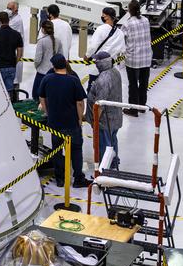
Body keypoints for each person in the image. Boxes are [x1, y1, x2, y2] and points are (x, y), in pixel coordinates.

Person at [38, 55, 90, 188]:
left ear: (54, 66)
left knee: (57, 150)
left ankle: (60, 179)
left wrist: (47, 112)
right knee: (76, 150)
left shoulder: (47, 79)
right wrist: (79, 119)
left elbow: (41, 97)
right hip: (72, 123)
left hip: (55, 123)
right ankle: (78, 178)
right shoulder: (73, 80)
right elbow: (79, 103)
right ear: (66, 64)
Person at [86, 51, 124, 169]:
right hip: (116, 117)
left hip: (104, 121)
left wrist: (95, 122)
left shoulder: (104, 79)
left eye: (97, 61)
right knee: (112, 141)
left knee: (103, 146)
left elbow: (99, 105)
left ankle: (104, 170)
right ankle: (113, 163)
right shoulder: (115, 72)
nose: (95, 63)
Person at [121, 0, 153, 113]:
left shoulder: (127, 24)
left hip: (133, 59)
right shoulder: (145, 20)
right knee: (144, 83)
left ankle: (133, 110)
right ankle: (142, 107)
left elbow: (122, 40)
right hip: (146, 57)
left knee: (133, 84)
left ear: (129, 10)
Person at [0, 8, 25, 93]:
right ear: (8, 20)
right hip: (11, 66)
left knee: (0, 90)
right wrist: (15, 62)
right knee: (9, 90)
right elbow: (20, 52)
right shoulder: (16, 35)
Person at [31, 20, 59, 99]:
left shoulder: (41, 41)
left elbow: (37, 59)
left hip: (42, 74)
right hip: (54, 73)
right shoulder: (58, 41)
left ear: (43, 29)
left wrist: (37, 67)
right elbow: (61, 57)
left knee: (37, 97)